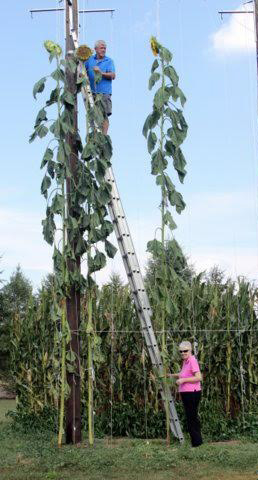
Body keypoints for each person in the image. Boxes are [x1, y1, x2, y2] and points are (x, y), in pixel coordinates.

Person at [169, 341, 203, 447]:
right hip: (186, 393)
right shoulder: (186, 361)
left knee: (192, 418)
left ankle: (196, 443)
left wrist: (183, 381)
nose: (183, 353)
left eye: (185, 351)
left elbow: (198, 377)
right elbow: (182, 374)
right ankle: (196, 442)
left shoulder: (192, 360)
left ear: (190, 350)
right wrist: (171, 375)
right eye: (181, 351)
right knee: (190, 417)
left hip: (192, 393)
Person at [85, 40, 116, 135]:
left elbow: (113, 75)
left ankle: (104, 136)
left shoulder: (109, 61)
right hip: (91, 92)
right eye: (101, 48)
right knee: (92, 115)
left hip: (104, 92)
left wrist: (100, 73)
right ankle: (94, 134)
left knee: (104, 115)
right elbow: (82, 69)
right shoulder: (90, 60)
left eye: (105, 48)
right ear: (96, 49)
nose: (103, 50)